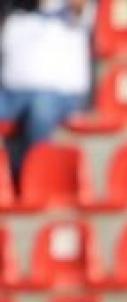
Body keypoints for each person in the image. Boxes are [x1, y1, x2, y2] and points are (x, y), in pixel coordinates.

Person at [0, 0, 93, 178]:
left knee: (41, 109)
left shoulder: (68, 9)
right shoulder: (12, 10)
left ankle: (33, 178)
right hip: (11, 93)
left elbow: (81, 7)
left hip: (58, 95)